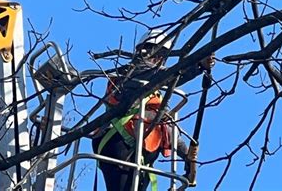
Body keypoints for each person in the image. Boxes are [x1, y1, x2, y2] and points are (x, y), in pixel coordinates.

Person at [92, 29, 215, 191]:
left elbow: (166, 126)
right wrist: (199, 65)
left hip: (134, 151)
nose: (159, 58)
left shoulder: (152, 91)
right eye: (157, 52)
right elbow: (173, 76)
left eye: (163, 55)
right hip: (118, 142)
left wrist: (187, 155)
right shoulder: (136, 71)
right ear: (144, 50)